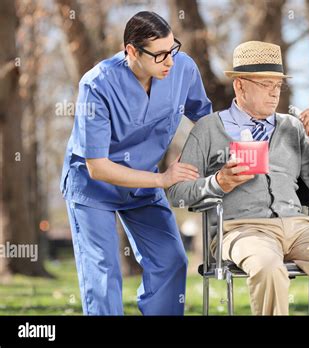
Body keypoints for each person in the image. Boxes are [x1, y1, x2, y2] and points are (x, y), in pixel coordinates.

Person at [168, 41, 309, 315]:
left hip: (299, 228)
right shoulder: (209, 129)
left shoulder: (292, 127)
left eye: (278, 85)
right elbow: (177, 191)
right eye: (265, 84)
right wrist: (218, 183)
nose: (274, 94)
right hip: (241, 230)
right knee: (267, 266)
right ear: (240, 85)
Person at [59, 11, 212, 315]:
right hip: (93, 188)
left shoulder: (183, 69)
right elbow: (97, 167)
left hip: (143, 182)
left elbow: (205, 119)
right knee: (103, 275)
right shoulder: (97, 85)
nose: (170, 61)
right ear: (131, 51)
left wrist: (203, 153)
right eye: (160, 55)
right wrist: (162, 180)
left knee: (172, 259)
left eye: (173, 49)